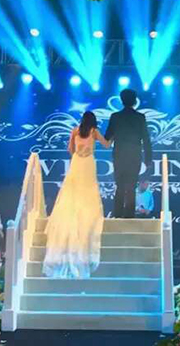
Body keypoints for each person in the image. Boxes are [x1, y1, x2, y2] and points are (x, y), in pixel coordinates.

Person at [43, 111, 111, 279]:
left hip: (76, 163)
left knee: (73, 190)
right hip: (87, 163)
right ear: (93, 121)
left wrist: (78, 153)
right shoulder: (94, 131)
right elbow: (106, 145)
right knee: (87, 190)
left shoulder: (75, 130)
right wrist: (112, 135)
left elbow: (70, 149)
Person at [105, 89, 152, 218]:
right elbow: (146, 139)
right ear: (135, 101)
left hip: (119, 155)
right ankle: (129, 216)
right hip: (134, 155)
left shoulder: (115, 116)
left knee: (120, 185)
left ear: (121, 100)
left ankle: (117, 214)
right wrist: (148, 159)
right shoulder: (140, 117)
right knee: (131, 186)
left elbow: (107, 136)